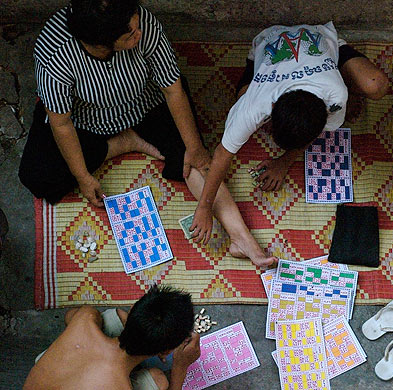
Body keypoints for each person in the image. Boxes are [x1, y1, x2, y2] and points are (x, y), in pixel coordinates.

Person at [18, 0, 275, 266]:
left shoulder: (138, 21)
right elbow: (62, 124)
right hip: (87, 120)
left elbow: (172, 89)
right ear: (102, 43)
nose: (138, 33)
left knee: (192, 157)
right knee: (36, 176)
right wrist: (82, 176)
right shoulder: (55, 56)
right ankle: (122, 143)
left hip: (145, 104)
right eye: (130, 35)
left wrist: (195, 148)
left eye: (136, 25)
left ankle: (242, 239)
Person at [192, 22, 388, 238]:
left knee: (377, 85)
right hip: (269, 41)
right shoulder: (255, 105)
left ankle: (338, 53)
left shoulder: (336, 96)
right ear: (273, 108)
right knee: (241, 104)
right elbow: (222, 154)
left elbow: (315, 131)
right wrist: (204, 207)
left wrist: (285, 161)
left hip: (318, 41)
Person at [23, 285, 200, 390]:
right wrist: (180, 366)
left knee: (111, 318)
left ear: (133, 310)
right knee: (158, 380)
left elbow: (69, 316)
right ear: (167, 351)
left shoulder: (86, 317)